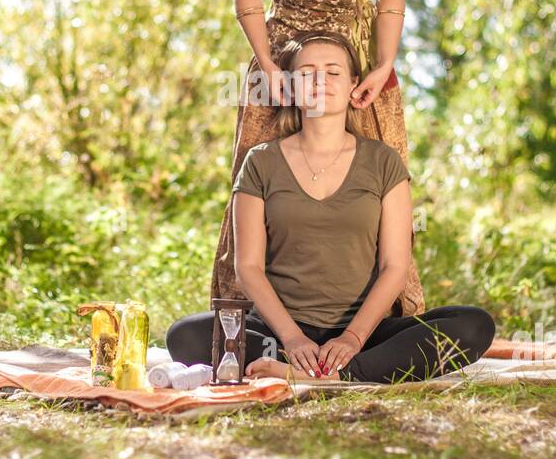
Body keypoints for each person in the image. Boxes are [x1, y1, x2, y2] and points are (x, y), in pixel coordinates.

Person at [174, 32, 495, 384]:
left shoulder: (383, 162)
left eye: (333, 72)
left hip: (364, 335)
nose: (320, 81)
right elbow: (248, 267)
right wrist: (293, 338)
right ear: (291, 86)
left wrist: (352, 339)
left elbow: (395, 266)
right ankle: (315, 368)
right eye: (307, 72)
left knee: (474, 324)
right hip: (279, 335)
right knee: (186, 335)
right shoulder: (261, 162)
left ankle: (336, 374)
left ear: (353, 84)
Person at [209, 0, 429, 319]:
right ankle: (247, 321)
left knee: (378, 172)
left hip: (360, 63)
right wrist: (268, 67)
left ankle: (379, 321)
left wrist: (383, 65)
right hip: (281, 60)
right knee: (259, 170)